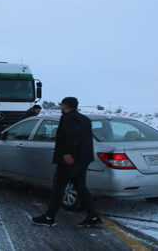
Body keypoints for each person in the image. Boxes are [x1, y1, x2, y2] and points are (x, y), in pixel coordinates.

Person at [32, 97, 101, 227]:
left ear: (65, 106)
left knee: (59, 187)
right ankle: (93, 216)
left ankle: (49, 217)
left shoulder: (68, 118)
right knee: (81, 187)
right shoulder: (85, 119)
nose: (61, 108)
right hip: (84, 159)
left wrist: (67, 153)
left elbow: (71, 137)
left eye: (61, 105)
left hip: (71, 160)